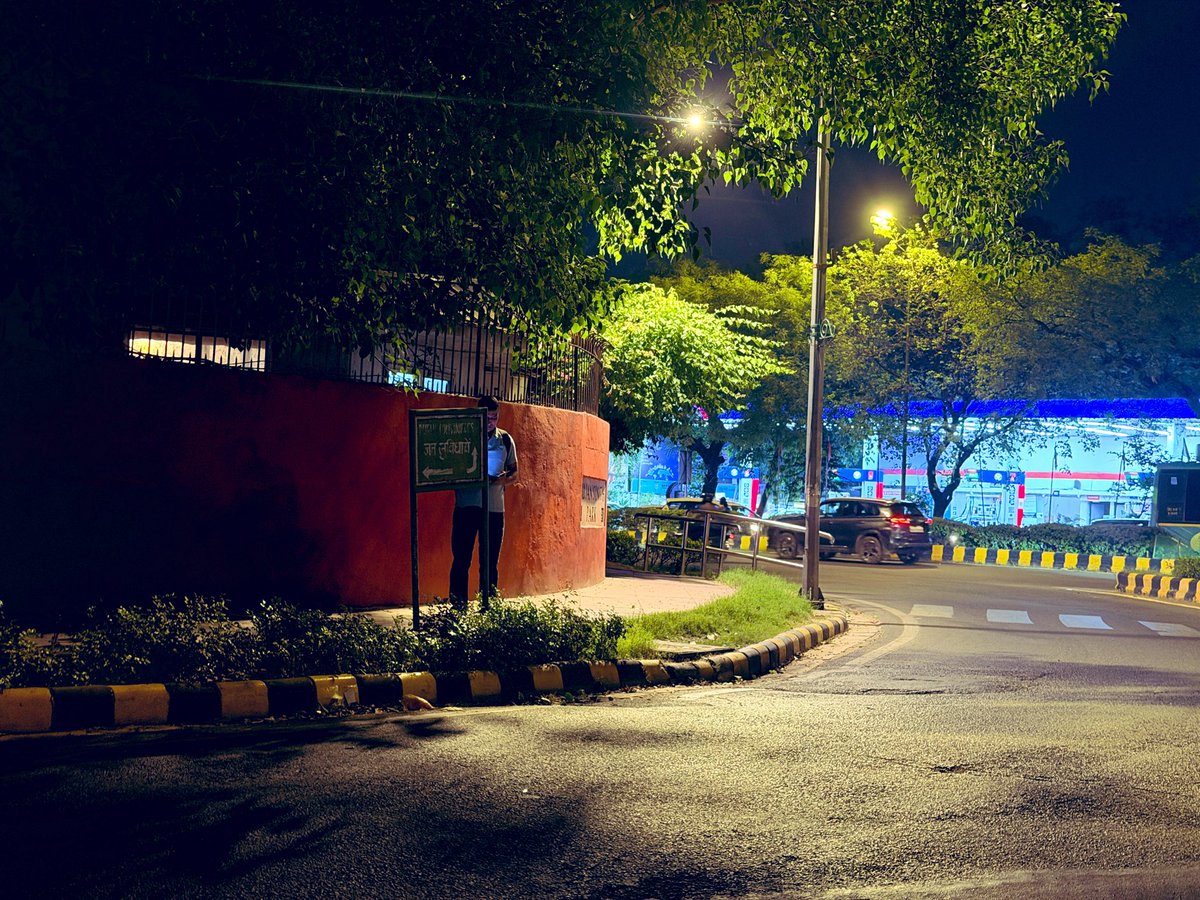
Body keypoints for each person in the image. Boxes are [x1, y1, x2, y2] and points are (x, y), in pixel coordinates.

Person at [448, 396, 518, 609]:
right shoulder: (464, 437)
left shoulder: (505, 439)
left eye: (494, 417)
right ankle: (457, 605)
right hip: (466, 506)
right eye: (486, 417)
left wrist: (501, 479)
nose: (490, 422)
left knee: (489, 563)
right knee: (461, 559)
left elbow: (515, 473)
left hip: (494, 509)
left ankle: (487, 605)